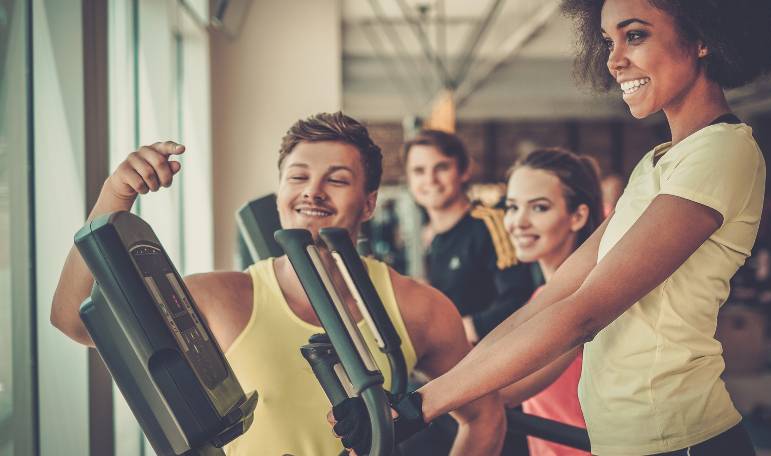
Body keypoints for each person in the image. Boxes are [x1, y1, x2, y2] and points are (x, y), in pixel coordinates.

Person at [334, 1, 771, 454]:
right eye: (609, 41)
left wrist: (418, 407)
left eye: (635, 36)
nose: (613, 60)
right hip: (627, 440)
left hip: (680, 440)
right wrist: (423, 396)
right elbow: (554, 295)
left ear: (704, 37)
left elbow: (584, 312)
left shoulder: (722, 152)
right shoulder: (655, 163)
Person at [50, 112, 506, 456]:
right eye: (299, 177)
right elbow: (75, 322)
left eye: (338, 179)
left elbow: (484, 417)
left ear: (369, 204)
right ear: (280, 192)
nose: (313, 191)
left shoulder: (418, 307)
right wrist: (115, 196)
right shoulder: (222, 298)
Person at [498, 147, 603, 456]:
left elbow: (506, 390)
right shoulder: (540, 297)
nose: (519, 222)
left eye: (539, 208)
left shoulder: (585, 297)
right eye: (512, 207)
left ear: (578, 216)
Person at [403, 129, 534, 345]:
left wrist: (463, 329)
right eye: (418, 171)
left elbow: (520, 299)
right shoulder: (433, 240)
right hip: (454, 360)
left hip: (495, 361)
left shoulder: (491, 222)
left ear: (464, 171)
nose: (430, 180)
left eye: (441, 167)